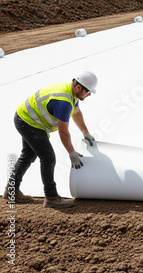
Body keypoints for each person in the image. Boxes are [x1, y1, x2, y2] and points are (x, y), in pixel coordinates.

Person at [3, 71, 98, 208]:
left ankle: (12, 190)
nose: (89, 95)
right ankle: (51, 197)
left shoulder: (72, 94)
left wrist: (86, 133)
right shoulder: (63, 101)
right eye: (88, 92)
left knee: (28, 155)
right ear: (79, 87)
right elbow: (64, 132)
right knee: (48, 157)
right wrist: (71, 153)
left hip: (27, 118)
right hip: (28, 121)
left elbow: (76, 113)